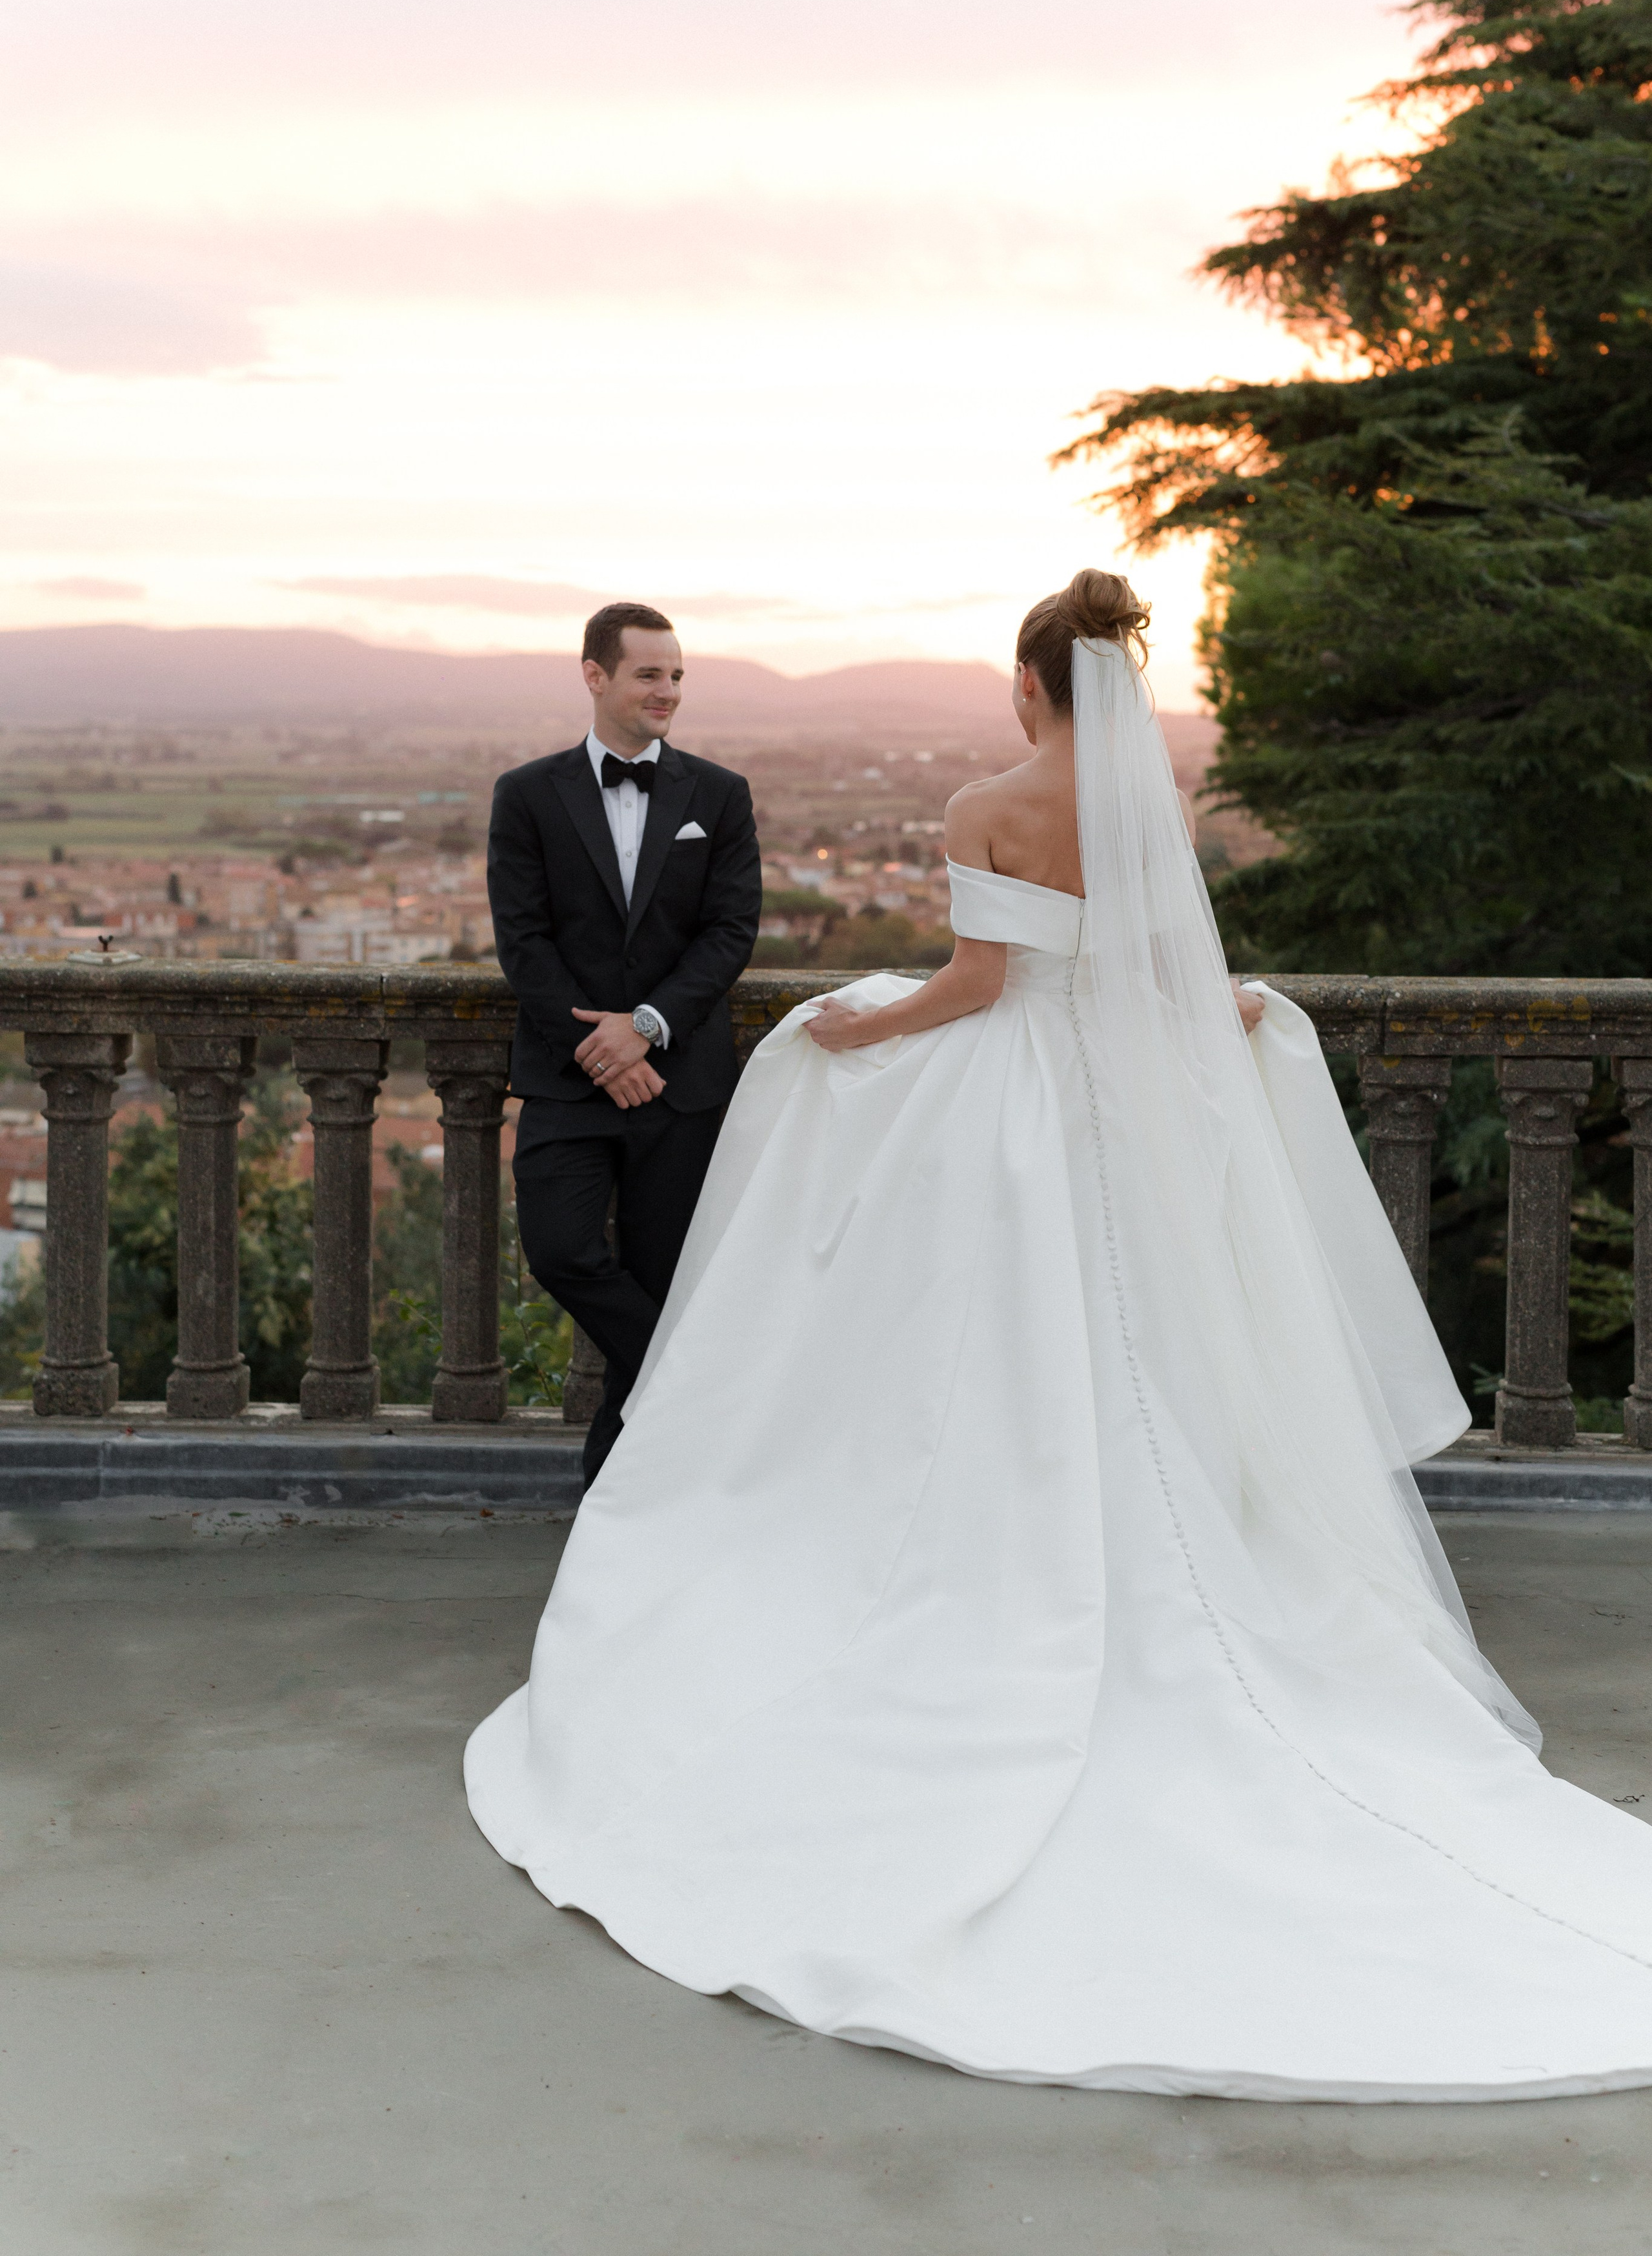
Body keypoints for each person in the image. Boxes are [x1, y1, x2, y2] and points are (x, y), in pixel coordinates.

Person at [467, 572, 1652, 2102]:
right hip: (1127, 1126)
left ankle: (1007, 1564)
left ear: (1031, 685)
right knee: (1146, 1355)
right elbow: (1153, 979)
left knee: (1000, 1364)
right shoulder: (1145, 798)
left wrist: (851, 1025)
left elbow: (976, 985)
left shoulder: (987, 801)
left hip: (1022, 1120)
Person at [487, 601, 761, 1487]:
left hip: (680, 1085)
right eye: (651, 674)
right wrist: (597, 1050)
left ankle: (619, 1491)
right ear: (595, 676)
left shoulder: (720, 795)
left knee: (662, 1276)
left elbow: (730, 931)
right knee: (560, 1249)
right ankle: (701, 1392)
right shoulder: (526, 794)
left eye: (678, 675)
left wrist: (643, 1030)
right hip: (570, 1085)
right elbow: (523, 942)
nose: (669, 691)